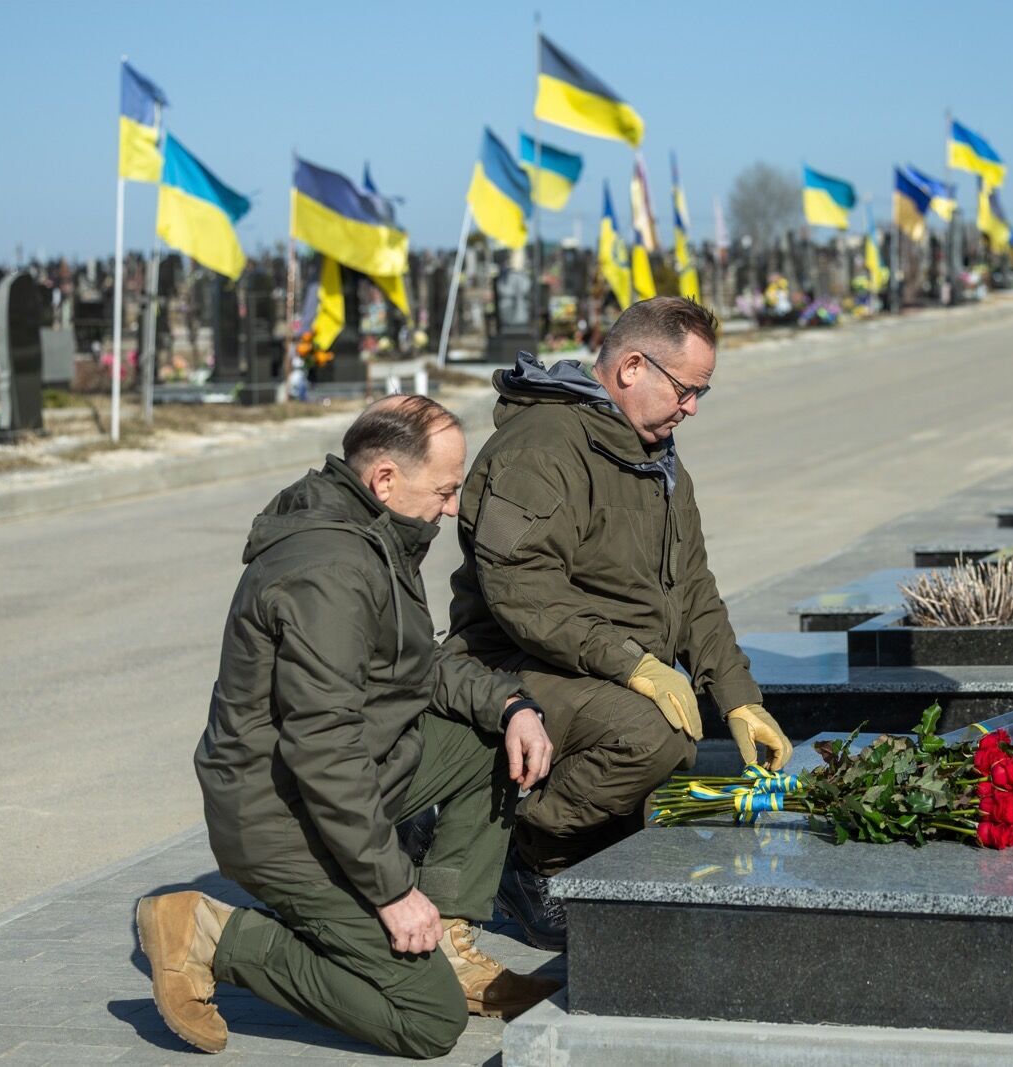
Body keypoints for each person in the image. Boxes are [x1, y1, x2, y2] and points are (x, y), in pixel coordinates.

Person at [137, 395, 559, 1059]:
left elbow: (413, 669)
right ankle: (210, 932)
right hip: (282, 820)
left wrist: (511, 706)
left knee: (488, 744)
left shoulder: (374, 535)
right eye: (446, 490)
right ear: (385, 479)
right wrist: (392, 890)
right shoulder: (329, 569)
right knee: (427, 1019)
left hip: (352, 778)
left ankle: (445, 938)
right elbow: (324, 750)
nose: (452, 508)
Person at [447, 296, 794, 951]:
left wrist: (740, 700)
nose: (692, 407)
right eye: (686, 389)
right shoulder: (543, 446)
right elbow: (521, 589)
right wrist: (633, 664)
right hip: (510, 668)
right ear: (633, 367)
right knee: (654, 732)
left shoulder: (655, 457)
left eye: (702, 393)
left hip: (591, 669)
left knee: (673, 733)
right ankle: (520, 854)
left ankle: (584, 844)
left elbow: (692, 590)